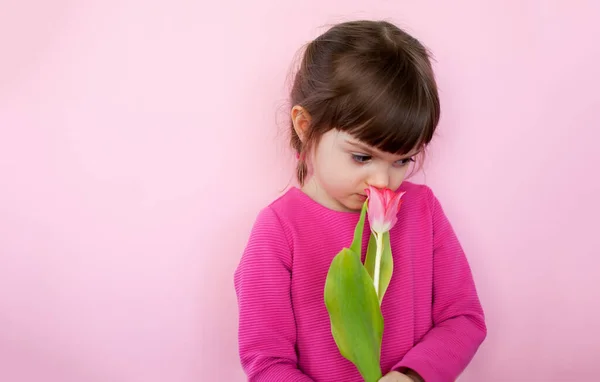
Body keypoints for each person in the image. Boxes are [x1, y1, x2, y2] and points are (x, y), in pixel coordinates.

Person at [233, 19, 486, 382]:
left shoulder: (422, 210)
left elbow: (463, 318)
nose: (383, 181)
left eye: (402, 160)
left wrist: (410, 377)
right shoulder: (278, 232)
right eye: (362, 157)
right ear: (305, 126)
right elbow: (267, 361)